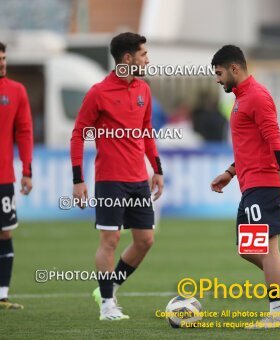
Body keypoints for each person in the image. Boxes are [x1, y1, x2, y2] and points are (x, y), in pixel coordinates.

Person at [210, 45, 280, 329]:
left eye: (219, 73)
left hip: (264, 184)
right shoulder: (241, 98)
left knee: (268, 251)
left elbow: (274, 139)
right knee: (247, 249)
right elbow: (250, 144)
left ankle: (277, 314)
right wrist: (230, 172)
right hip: (250, 184)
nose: (218, 80)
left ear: (234, 69)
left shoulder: (256, 96)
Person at [70, 32, 164, 320]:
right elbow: (78, 134)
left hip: (138, 179)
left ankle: (107, 288)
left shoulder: (143, 90)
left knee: (145, 240)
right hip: (110, 180)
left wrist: (157, 169)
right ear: (127, 58)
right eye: (143, 54)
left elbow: (147, 132)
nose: (147, 59)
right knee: (110, 240)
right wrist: (78, 179)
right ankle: (108, 305)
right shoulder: (98, 92)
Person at [0, 42, 33, 310]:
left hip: (3, 178)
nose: (2, 62)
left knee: (5, 233)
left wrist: (27, 170)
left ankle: (1, 296)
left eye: (4, 58)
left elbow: (24, 132)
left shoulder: (16, 90)